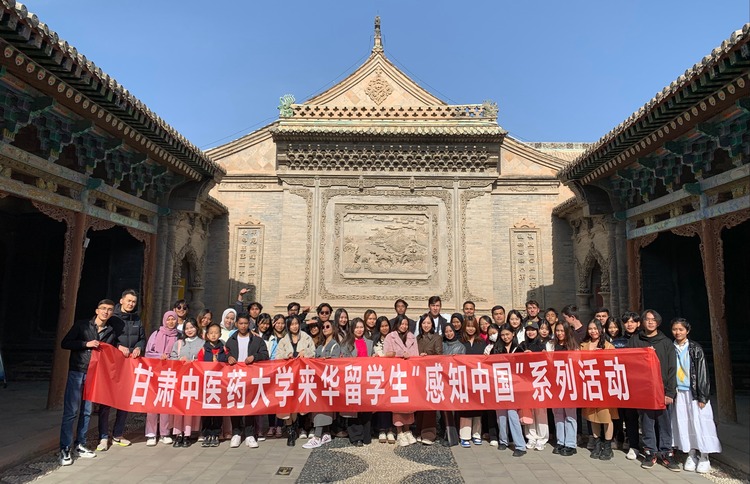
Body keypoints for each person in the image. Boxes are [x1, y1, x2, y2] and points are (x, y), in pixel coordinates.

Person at [59, 299, 116, 465]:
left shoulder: (110, 331)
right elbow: (65, 343)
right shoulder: (82, 325)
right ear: (97, 310)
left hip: (94, 374)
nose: (106, 312)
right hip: (78, 370)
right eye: (103, 308)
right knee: (71, 411)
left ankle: (81, 444)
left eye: (109, 310)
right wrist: (86, 344)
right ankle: (64, 448)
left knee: (86, 411)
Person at [627, 309, 678, 471]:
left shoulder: (666, 342)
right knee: (647, 422)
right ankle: (650, 452)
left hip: (662, 390)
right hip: (643, 390)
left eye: (653, 319)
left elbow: (672, 369)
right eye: (647, 319)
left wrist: (670, 392)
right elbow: (627, 364)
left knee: (664, 422)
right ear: (642, 322)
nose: (650, 322)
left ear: (658, 322)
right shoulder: (635, 340)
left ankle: (666, 453)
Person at [670, 318, 721, 473]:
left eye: (681, 329)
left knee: (701, 422)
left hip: (694, 392)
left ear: (687, 331)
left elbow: (702, 372)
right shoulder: (670, 348)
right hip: (679, 391)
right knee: (684, 423)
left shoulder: (695, 348)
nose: (677, 332)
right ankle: (691, 452)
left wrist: (703, 396)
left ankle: (705, 455)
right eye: (674, 329)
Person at [100, 289, 145, 449]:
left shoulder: (137, 319)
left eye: (133, 301)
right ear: (121, 301)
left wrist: (139, 347)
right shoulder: (112, 318)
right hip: (113, 365)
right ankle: (103, 436)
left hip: (129, 366)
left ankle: (118, 433)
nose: (131, 304)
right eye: (129, 301)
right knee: (106, 401)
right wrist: (118, 346)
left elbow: (141, 338)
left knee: (124, 401)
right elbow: (106, 339)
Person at [225, 312, 270, 449]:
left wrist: (254, 357)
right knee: (236, 405)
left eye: (246, 323)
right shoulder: (231, 340)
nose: (243, 326)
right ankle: (236, 433)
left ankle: (250, 434)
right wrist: (228, 358)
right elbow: (223, 354)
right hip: (235, 377)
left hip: (251, 377)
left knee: (250, 406)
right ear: (236, 324)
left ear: (249, 324)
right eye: (241, 323)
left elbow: (265, 355)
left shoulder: (256, 340)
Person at [580, 320, 618, 460]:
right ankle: (596, 443)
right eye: (590, 329)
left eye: (596, 328)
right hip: (589, 385)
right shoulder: (583, 346)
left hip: (605, 386)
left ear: (601, 330)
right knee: (593, 416)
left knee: (606, 416)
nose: (593, 331)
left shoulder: (608, 346)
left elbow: (614, 365)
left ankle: (607, 445)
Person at [275, 314, 315, 446]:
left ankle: (297, 425)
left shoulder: (306, 337)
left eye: (296, 323)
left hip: (302, 376)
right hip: (288, 377)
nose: (294, 326)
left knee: (298, 403)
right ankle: (290, 430)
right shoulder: (283, 340)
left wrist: (305, 354)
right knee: (288, 404)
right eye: (291, 324)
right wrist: (287, 356)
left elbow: (313, 353)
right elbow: (277, 357)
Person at [144, 310, 180, 446]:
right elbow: (148, 352)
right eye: (169, 319)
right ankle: (151, 433)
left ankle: (165, 432)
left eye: (173, 319)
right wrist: (160, 356)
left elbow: (178, 353)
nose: (171, 322)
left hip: (170, 374)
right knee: (153, 403)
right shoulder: (156, 334)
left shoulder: (178, 336)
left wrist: (170, 358)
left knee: (166, 403)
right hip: (155, 372)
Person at [303, 319, 341, 449]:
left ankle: (317, 436)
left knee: (322, 408)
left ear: (333, 329)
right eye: (323, 327)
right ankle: (325, 433)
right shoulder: (320, 346)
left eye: (327, 326)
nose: (324, 328)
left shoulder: (335, 345)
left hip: (328, 382)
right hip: (318, 382)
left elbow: (336, 363)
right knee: (318, 407)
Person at [384, 316, 419, 446]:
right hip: (396, 374)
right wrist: (400, 353)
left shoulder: (412, 337)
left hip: (409, 374)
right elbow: (387, 353)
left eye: (405, 324)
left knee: (409, 403)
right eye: (401, 323)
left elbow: (415, 354)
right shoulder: (390, 337)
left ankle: (408, 429)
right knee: (398, 403)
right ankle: (399, 431)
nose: (403, 326)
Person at [491, 324, 526, 456]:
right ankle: (503, 440)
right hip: (500, 385)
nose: (505, 337)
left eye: (508, 334)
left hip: (515, 387)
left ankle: (520, 445)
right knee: (501, 416)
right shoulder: (496, 348)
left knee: (512, 414)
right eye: (503, 335)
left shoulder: (520, 347)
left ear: (513, 334)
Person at [169, 319, 203, 448]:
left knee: (189, 407)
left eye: (192, 327)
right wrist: (178, 360)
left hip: (194, 380)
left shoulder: (202, 343)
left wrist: (193, 362)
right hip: (180, 379)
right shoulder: (178, 343)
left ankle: (187, 434)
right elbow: (172, 358)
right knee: (178, 407)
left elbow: (204, 361)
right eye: (187, 328)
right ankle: (177, 434)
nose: (189, 330)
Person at [340, 319, 374, 446]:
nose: (359, 330)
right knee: (353, 409)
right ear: (352, 329)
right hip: (353, 379)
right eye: (357, 327)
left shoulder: (369, 343)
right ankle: (356, 436)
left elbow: (373, 356)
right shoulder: (346, 343)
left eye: (361, 327)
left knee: (365, 408)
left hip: (366, 379)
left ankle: (366, 434)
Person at [517, 322, 548, 451]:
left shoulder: (542, 345)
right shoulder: (521, 345)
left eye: (533, 330)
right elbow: (514, 361)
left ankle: (542, 438)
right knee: (527, 410)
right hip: (525, 382)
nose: (531, 332)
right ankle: (531, 436)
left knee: (540, 411)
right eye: (528, 330)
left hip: (540, 381)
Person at [197, 323, 229, 447]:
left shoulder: (224, 349)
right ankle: (206, 433)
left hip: (219, 384)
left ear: (220, 334)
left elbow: (227, 364)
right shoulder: (204, 349)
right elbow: (199, 365)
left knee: (217, 411)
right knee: (206, 411)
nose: (214, 335)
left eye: (216, 332)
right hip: (207, 384)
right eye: (211, 333)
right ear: (207, 335)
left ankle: (215, 433)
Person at [552, 321, 578, 457]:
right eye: (557, 331)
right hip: (555, 384)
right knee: (558, 414)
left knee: (570, 415)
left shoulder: (573, 347)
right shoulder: (551, 345)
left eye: (562, 331)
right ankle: (560, 441)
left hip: (569, 384)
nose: (559, 333)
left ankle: (570, 443)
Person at [415, 315, 441, 445]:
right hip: (419, 375)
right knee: (419, 403)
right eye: (423, 323)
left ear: (432, 324)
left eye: (428, 323)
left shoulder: (437, 337)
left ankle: (429, 433)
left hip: (431, 374)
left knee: (430, 405)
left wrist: (427, 357)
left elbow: (439, 355)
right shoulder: (417, 338)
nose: (426, 325)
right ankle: (419, 430)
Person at [620, 311, 642, 459]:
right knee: (630, 416)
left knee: (648, 418)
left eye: (633, 321)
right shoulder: (619, 342)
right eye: (627, 321)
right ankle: (633, 445)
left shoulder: (644, 340)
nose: (630, 324)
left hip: (642, 383)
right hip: (625, 383)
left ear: (638, 324)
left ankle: (652, 446)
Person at [371, 315, 395, 443]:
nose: (385, 328)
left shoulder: (394, 338)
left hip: (392, 375)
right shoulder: (374, 340)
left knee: (390, 402)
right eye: (382, 326)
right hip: (379, 376)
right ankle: (381, 429)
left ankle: (390, 429)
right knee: (381, 402)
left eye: (386, 326)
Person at [264, 314, 288, 439]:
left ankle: (279, 424)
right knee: (271, 399)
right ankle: (271, 425)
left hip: (284, 372)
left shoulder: (287, 337)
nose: (280, 325)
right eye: (277, 323)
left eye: (282, 323)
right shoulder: (269, 337)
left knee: (281, 399)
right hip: (271, 371)